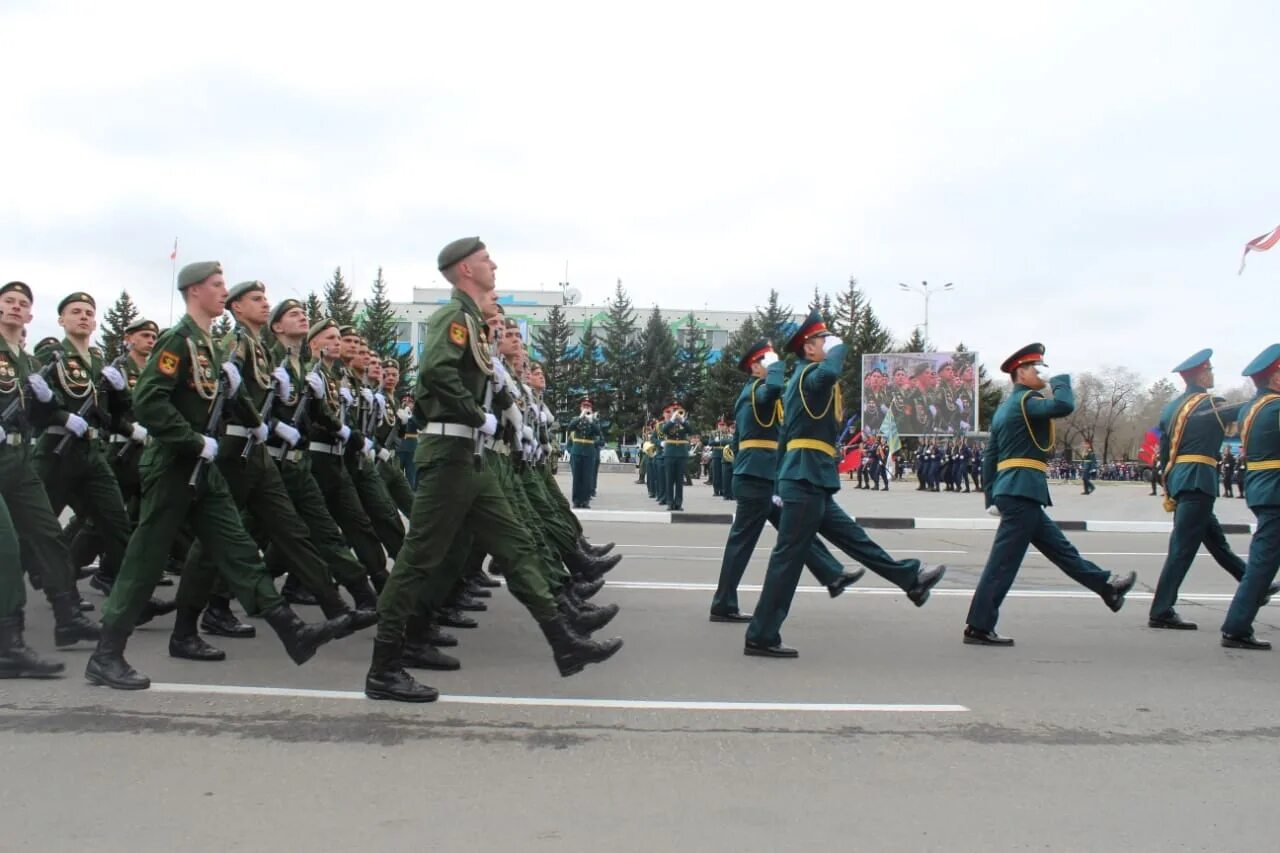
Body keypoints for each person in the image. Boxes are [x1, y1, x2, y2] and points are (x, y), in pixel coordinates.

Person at [366, 237, 621, 703]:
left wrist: (495, 412)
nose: (494, 265)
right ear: (466, 269)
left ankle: (564, 644)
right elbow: (435, 377)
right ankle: (384, 667)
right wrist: (473, 413)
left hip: (473, 457)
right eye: (486, 260)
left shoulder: (470, 324)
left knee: (517, 546)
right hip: (448, 455)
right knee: (418, 560)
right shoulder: (453, 318)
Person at [86, 262, 346, 689]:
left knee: (238, 547)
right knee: (145, 560)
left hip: (202, 468)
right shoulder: (179, 340)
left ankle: (291, 630)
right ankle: (107, 653)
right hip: (173, 467)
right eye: (217, 285)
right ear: (193, 291)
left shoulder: (207, 346)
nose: (223, 291)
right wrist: (191, 440)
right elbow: (149, 402)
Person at [744, 312, 945, 658]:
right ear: (809, 348)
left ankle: (911, 580)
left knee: (855, 538)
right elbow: (831, 371)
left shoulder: (804, 382)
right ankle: (761, 635)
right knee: (787, 560)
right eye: (824, 340)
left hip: (810, 478)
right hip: (805, 479)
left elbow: (784, 438)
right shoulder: (809, 377)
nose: (830, 345)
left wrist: (778, 483)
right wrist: (841, 346)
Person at [964, 343, 1136, 646]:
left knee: (1061, 550)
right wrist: (1061, 380)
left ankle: (1108, 587)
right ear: (1021, 374)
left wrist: (992, 496)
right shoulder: (1027, 402)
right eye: (1035, 369)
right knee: (1003, 563)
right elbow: (1063, 406)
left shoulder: (1005, 408)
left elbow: (991, 456)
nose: (1040, 374)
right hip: (1022, 490)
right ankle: (978, 626)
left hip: (1015, 490)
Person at [710, 340, 864, 621]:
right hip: (756, 478)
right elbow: (774, 388)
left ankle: (832, 574)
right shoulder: (756, 390)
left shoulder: (755, 394)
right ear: (755, 367)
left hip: (764, 476)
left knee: (794, 531)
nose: (772, 363)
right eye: (765, 360)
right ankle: (723, 603)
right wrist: (777, 365)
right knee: (745, 542)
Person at [0, 280, 88, 676]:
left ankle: (68, 618)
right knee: (6, 546)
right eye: (8, 302)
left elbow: (36, 414)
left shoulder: (30, 363)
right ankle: (8, 643)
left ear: (30, 316)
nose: (16, 308)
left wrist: (49, 403)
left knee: (48, 534)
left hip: (18, 458)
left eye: (23, 304)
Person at [1148, 349, 1254, 630]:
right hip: (1198, 479)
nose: (1212, 375)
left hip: (1180, 479)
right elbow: (1244, 410)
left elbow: (1162, 447)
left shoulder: (1171, 408)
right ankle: (1161, 609)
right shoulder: (1208, 403)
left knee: (1216, 541)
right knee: (1182, 548)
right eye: (1209, 371)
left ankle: (1252, 582)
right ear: (1199, 374)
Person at [1219, 344, 1280, 649]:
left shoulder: (1251, 408)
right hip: (1275, 491)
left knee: (1264, 561)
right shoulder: (1276, 408)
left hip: (1262, 487)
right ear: (1275, 378)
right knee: (1263, 564)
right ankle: (1237, 627)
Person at [565, 399, 601, 509]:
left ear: (591, 408)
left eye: (588, 407)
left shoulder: (594, 420)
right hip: (577, 450)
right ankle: (576, 500)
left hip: (589, 451)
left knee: (587, 477)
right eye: (584, 407)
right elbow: (570, 427)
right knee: (577, 477)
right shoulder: (575, 419)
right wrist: (581, 416)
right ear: (581, 408)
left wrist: (591, 421)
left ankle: (585, 500)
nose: (586, 408)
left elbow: (598, 432)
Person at [659, 403, 693, 510]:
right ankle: (669, 502)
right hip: (670, 453)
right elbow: (664, 430)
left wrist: (682, 420)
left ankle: (678, 503)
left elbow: (690, 430)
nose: (677, 412)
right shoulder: (668, 422)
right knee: (669, 479)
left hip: (681, 454)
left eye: (679, 410)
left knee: (679, 480)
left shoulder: (684, 422)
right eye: (675, 410)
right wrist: (672, 419)